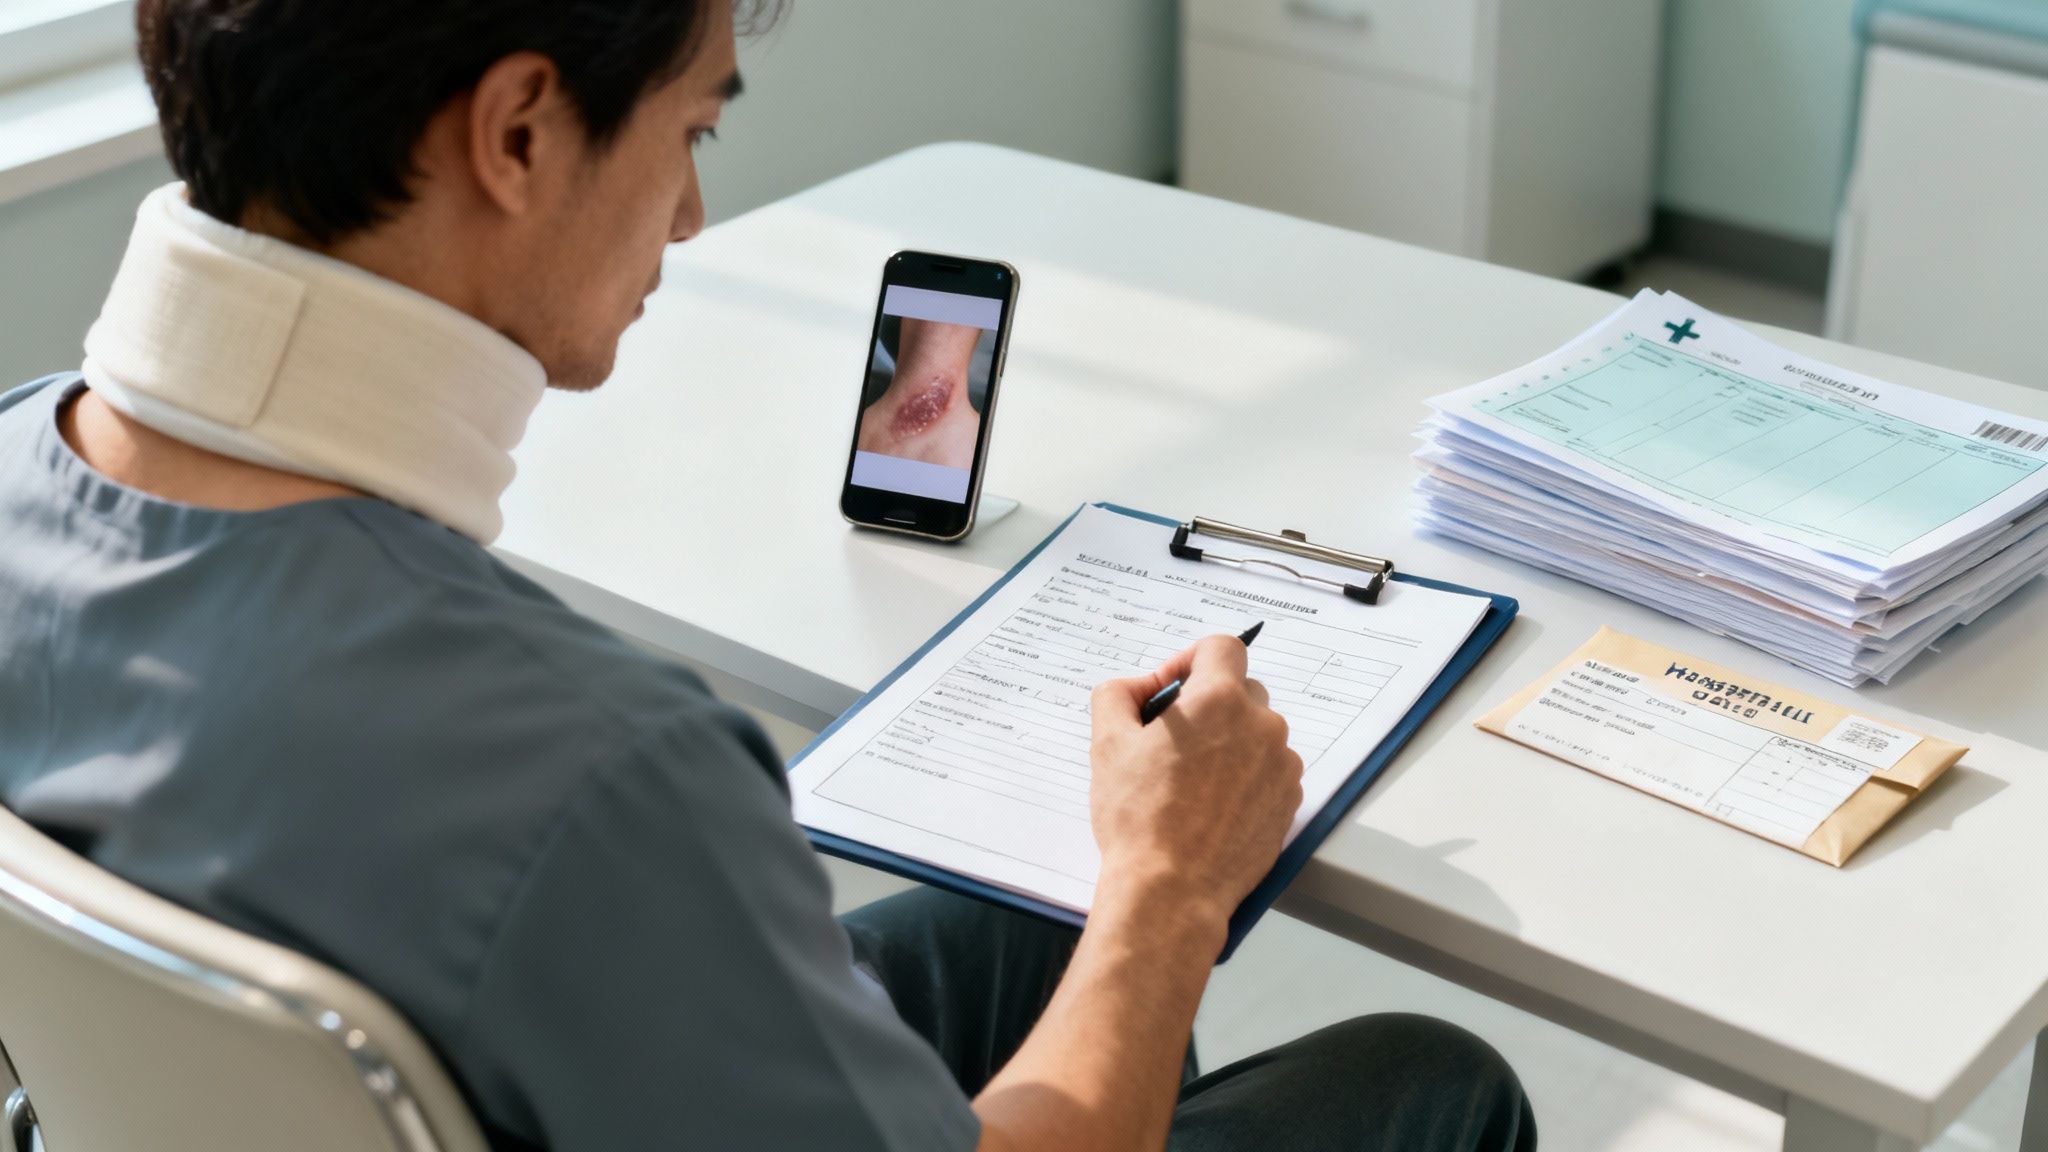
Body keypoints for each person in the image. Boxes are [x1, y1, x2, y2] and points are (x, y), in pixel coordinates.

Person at [0, 2, 1537, 1149]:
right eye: (694, 130)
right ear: (521, 129)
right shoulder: (604, 772)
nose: (689, 211)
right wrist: (1171, 887)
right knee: (1426, 1079)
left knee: (1026, 925)